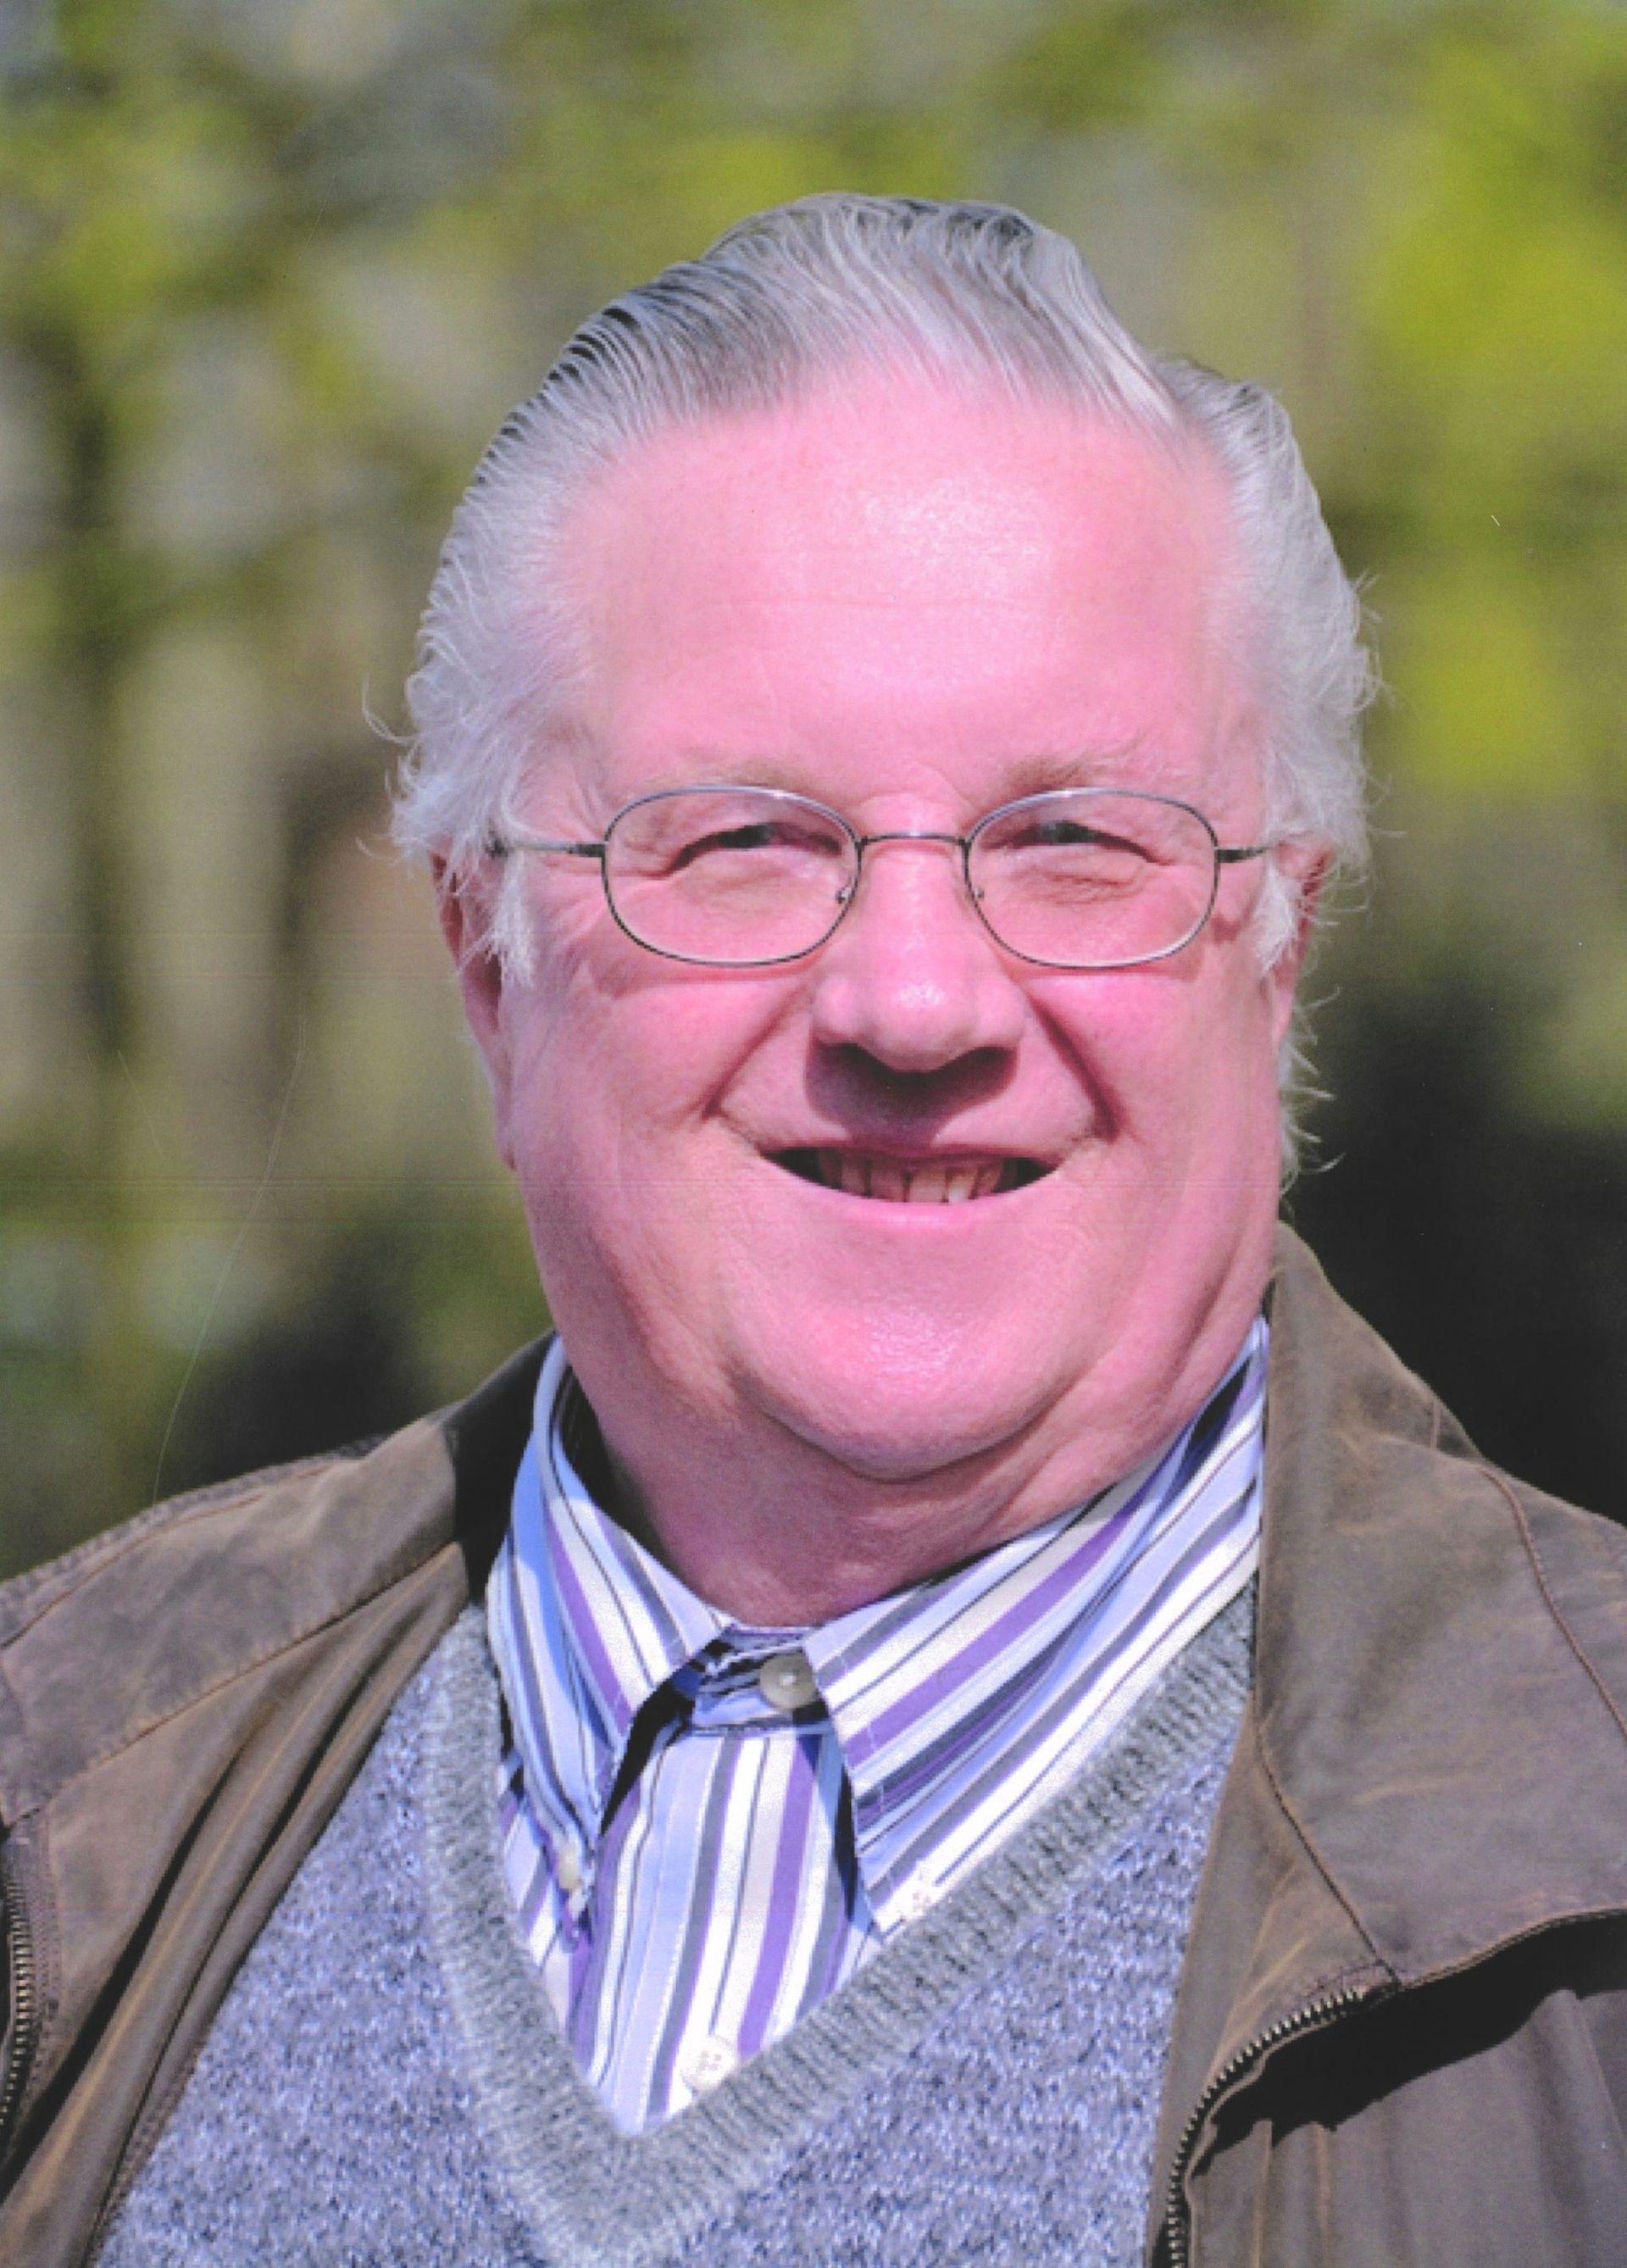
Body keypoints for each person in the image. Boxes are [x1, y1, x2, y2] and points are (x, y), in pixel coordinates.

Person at [3, 196, 1624, 2268]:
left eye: (1076, 841)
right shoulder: (58, 1802)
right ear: (490, 968)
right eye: (747, 842)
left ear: (1275, 947)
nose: (916, 1002)